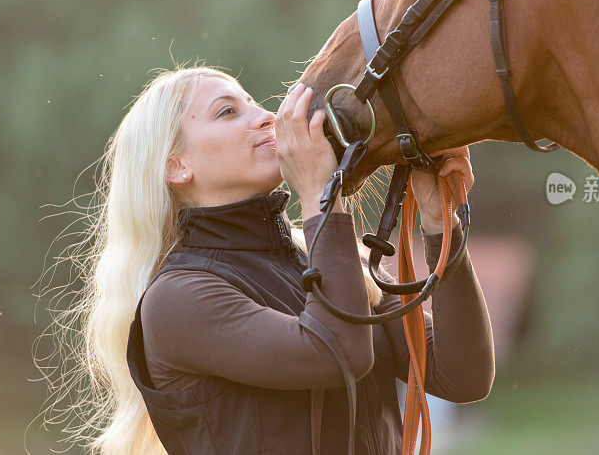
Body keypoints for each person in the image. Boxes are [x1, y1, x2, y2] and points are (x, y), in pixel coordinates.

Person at [45, 65, 494, 455]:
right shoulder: (177, 299)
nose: (266, 117)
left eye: (255, 103)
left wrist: (440, 224)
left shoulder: (325, 258)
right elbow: (336, 353)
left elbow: (462, 375)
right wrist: (321, 197)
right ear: (177, 166)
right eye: (227, 111)